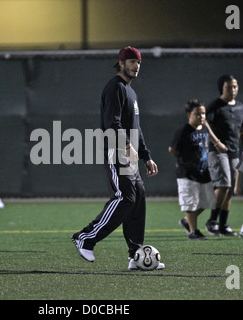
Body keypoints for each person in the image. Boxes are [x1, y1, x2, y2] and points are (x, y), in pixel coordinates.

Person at [71, 46, 163, 270]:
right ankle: (85, 237)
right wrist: (126, 145)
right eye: (131, 61)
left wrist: (146, 157)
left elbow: (136, 129)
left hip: (129, 153)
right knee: (125, 198)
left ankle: (135, 256)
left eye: (138, 62)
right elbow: (112, 123)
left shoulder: (131, 92)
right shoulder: (115, 87)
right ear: (120, 63)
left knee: (137, 198)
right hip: (117, 150)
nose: (135, 66)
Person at [169, 99, 225, 240]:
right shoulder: (183, 131)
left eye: (203, 113)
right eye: (197, 114)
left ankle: (186, 221)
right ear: (189, 114)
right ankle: (193, 231)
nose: (201, 117)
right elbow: (173, 149)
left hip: (204, 173)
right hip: (188, 174)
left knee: (209, 202)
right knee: (191, 203)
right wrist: (183, 161)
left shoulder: (205, 129)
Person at [205, 74, 243, 236]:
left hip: (234, 151)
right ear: (221, 88)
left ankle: (223, 225)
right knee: (223, 184)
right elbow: (205, 123)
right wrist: (217, 142)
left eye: (235, 86)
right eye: (229, 87)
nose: (233, 89)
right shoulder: (215, 106)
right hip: (217, 152)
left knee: (229, 188)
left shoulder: (240, 107)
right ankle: (212, 221)